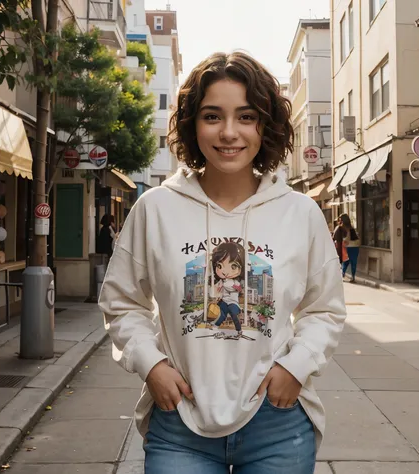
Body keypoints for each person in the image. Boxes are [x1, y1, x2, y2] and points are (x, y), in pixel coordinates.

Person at [98, 51, 346, 474]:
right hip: (179, 420)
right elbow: (122, 303)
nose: (229, 132)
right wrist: (152, 365)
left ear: (265, 125)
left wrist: (297, 365)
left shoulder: (300, 212)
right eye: (213, 116)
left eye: (246, 116)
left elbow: (325, 309)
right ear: (193, 124)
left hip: (278, 420)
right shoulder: (154, 209)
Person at [340, 213, 361, 283]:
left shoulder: (345, 228)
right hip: (355, 247)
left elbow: (347, 239)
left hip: (349, 247)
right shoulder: (351, 227)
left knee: (345, 261)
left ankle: (342, 275)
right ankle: (353, 277)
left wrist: (344, 241)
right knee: (353, 262)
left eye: (340, 219)